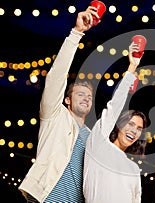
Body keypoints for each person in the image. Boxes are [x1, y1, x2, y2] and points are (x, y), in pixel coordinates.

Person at [18, 6, 101, 203]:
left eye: (89, 96)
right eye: (80, 94)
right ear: (67, 100)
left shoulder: (92, 136)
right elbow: (56, 77)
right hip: (46, 199)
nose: (86, 98)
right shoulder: (55, 116)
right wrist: (77, 33)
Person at [83, 45, 146, 202]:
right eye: (130, 124)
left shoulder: (133, 169)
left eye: (139, 128)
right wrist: (132, 68)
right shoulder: (98, 145)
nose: (134, 130)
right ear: (118, 124)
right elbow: (113, 108)